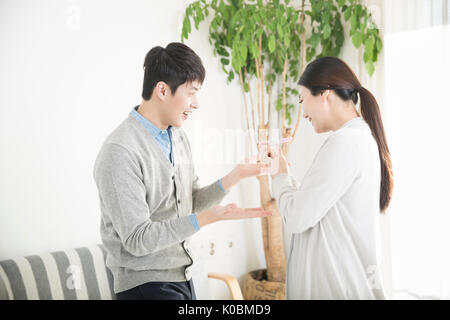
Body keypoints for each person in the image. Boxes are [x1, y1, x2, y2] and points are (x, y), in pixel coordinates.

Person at [93, 42, 271, 300]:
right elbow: (137, 239)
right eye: (191, 93)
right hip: (144, 286)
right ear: (163, 90)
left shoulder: (178, 138)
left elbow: (190, 203)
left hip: (182, 278)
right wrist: (209, 217)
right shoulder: (120, 151)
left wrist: (236, 176)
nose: (196, 103)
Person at [269, 56, 394, 299]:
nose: (303, 112)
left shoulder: (346, 143)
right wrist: (284, 175)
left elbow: (296, 218)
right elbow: (318, 209)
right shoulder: (355, 139)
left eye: (302, 99)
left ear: (325, 94)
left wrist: (280, 176)